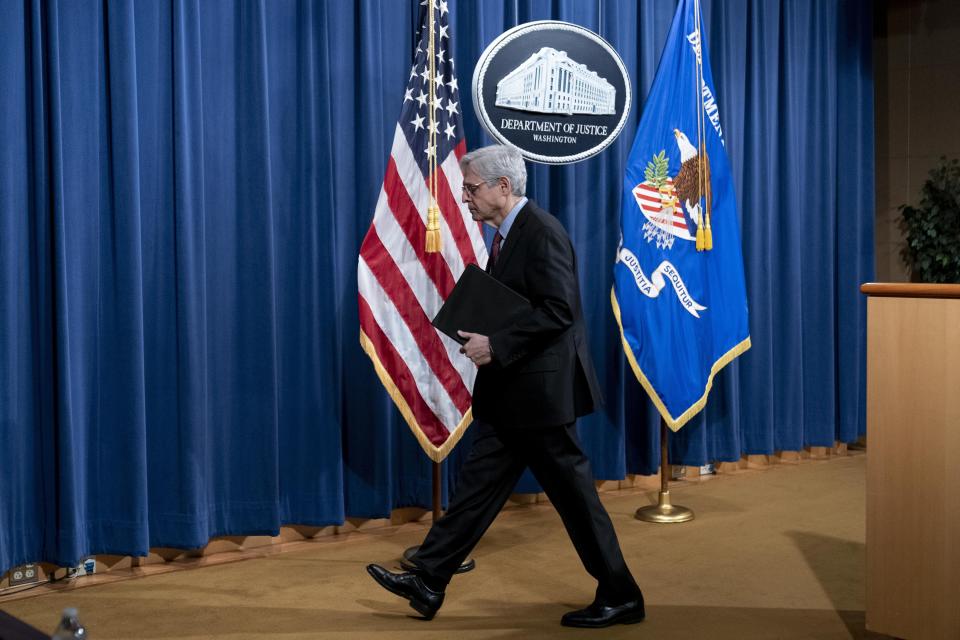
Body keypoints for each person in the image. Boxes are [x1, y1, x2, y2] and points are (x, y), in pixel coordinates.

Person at [366, 144, 644, 628]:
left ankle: (621, 595)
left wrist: (496, 345)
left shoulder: (541, 233)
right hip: (515, 394)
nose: (464, 198)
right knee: (478, 489)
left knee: (577, 501)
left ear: (503, 187)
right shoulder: (507, 235)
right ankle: (430, 580)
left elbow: (560, 311)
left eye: (471, 189)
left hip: (541, 396)